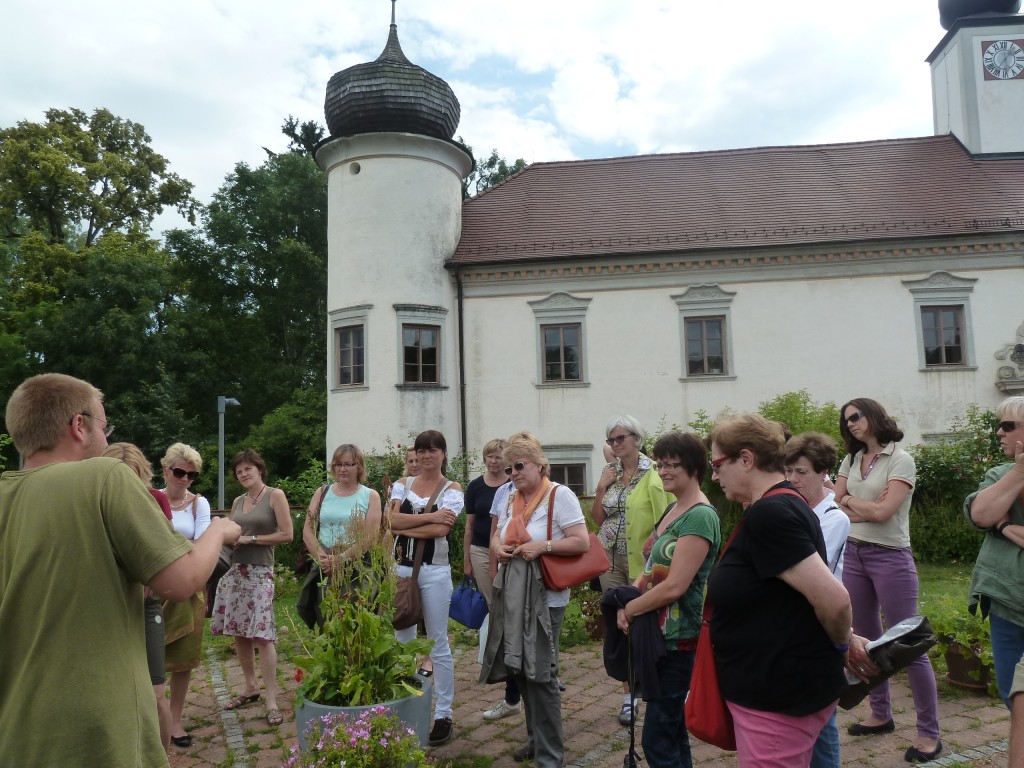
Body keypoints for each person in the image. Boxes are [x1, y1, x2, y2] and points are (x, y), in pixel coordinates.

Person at [0, 373, 241, 767]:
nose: (107, 440)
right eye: (103, 425)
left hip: (15, 728)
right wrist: (218, 530)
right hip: (97, 728)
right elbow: (181, 581)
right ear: (79, 426)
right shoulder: (104, 476)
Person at [706, 414, 853, 768]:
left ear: (746, 459)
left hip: (776, 695)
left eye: (716, 464)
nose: (713, 475)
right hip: (777, 686)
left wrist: (842, 644)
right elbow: (795, 597)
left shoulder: (771, 513)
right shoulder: (783, 502)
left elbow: (834, 601)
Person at [835, 398, 941, 763]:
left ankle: (929, 733)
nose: (850, 423)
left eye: (856, 416)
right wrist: (853, 503)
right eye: (846, 420)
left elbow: (885, 513)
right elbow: (837, 505)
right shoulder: (850, 460)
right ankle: (880, 714)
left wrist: (852, 504)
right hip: (854, 554)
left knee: (908, 644)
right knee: (864, 642)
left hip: (890, 557)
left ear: (874, 416)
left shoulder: (901, 459)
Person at [614, 431, 720, 768]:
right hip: (658, 634)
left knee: (657, 736)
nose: (664, 471)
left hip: (680, 639)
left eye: (673, 464)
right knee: (671, 730)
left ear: (695, 468)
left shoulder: (701, 516)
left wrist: (631, 608)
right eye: (661, 465)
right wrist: (627, 600)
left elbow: (676, 586)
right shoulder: (674, 508)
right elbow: (649, 568)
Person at [486, 431, 590, 767]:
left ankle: (550, 756)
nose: (513, 473)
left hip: (548, 598)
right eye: (508, 469)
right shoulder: (509, 499)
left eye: (519, 466)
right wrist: (498, 548)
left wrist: (542, 546)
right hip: (515, 596)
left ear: (538, 465)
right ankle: (535, 741)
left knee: (541, 675)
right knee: (520, 670)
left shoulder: (559, 496)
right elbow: (496, 537)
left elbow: (581, 542)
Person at [591, 415, 674, 724]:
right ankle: (629, 696)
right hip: (608, 561)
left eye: (620, 438)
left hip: (642, 561)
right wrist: (601, 489)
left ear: (637, 439)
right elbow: (599, 519)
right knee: (618, 627)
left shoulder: (654, 472)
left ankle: (656, 687)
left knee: (644, 623)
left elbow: (667, 517)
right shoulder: (609, 472)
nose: (615, 444)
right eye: (611, 440)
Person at [389, 429, 464, 747]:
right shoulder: (402, 485)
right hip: (401, 571)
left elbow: (443, 529)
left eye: (433, 450)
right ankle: (405, 709)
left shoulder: (453, 488)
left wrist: (413, 521)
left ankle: (443, 714)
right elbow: (388, 522)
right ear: (416, 455)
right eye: (421, 450)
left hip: (434, 572)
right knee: (402, 639)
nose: (427, 455)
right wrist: (430, 517)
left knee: (437, 644)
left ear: (443, 454)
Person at [211, 449, 293, 726]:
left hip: (260, 573)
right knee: (239, 632)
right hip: (235, 572)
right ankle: (250, 687)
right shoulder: (237, 501)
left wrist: (252, 539)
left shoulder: (275, 495)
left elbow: (287, 534)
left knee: (263, 635)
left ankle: (271, 698)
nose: (243, 474)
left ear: (259, 468)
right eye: (239, 471)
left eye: (248, 469)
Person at [103, 441, 176, 753]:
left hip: (146, 605)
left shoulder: (155, 498)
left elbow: (167, 547)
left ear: (143, 475)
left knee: (156, 690)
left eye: (132, 477)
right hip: (110, 608)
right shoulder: (96, 501)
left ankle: (163, 757)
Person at [784, 432, 850, 768]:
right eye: (789, 471)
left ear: (824, 473)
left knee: (822, 717)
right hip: (794, 621)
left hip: (819, 623)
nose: (793, 480)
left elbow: (810, 571)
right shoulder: (791, 509)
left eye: (802, 473)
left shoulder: (833, 517)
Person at [965, 396, 1024, 708]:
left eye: (1007, 426)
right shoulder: (1001, 475)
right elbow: (981, 515)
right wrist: (1019, 471)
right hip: (1007, 602)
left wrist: (1005, 528)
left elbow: (993, 522)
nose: (999, 433)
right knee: (1012, 695)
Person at [464, 439, 523, 721]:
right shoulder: (492, 490)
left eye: (501, 458)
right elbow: (480, 527)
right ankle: (509, 679)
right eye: (490, 456)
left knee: (515, 619)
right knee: (498, 612)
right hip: (490, 553)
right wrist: (482, 562)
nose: (495, 462)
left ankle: (531, 677)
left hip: (519, 558)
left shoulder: (540, 490)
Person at [160, 442, 213, 748]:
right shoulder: (151, 499)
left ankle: (175, 719)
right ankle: (155, 713)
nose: (185, 479)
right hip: (154, 587)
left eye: (191, 475)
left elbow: (203, 542)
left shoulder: (198, 505)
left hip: (189, 588)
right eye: (180, 472)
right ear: (166, 470)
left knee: (183, 656)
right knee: (147, 653)